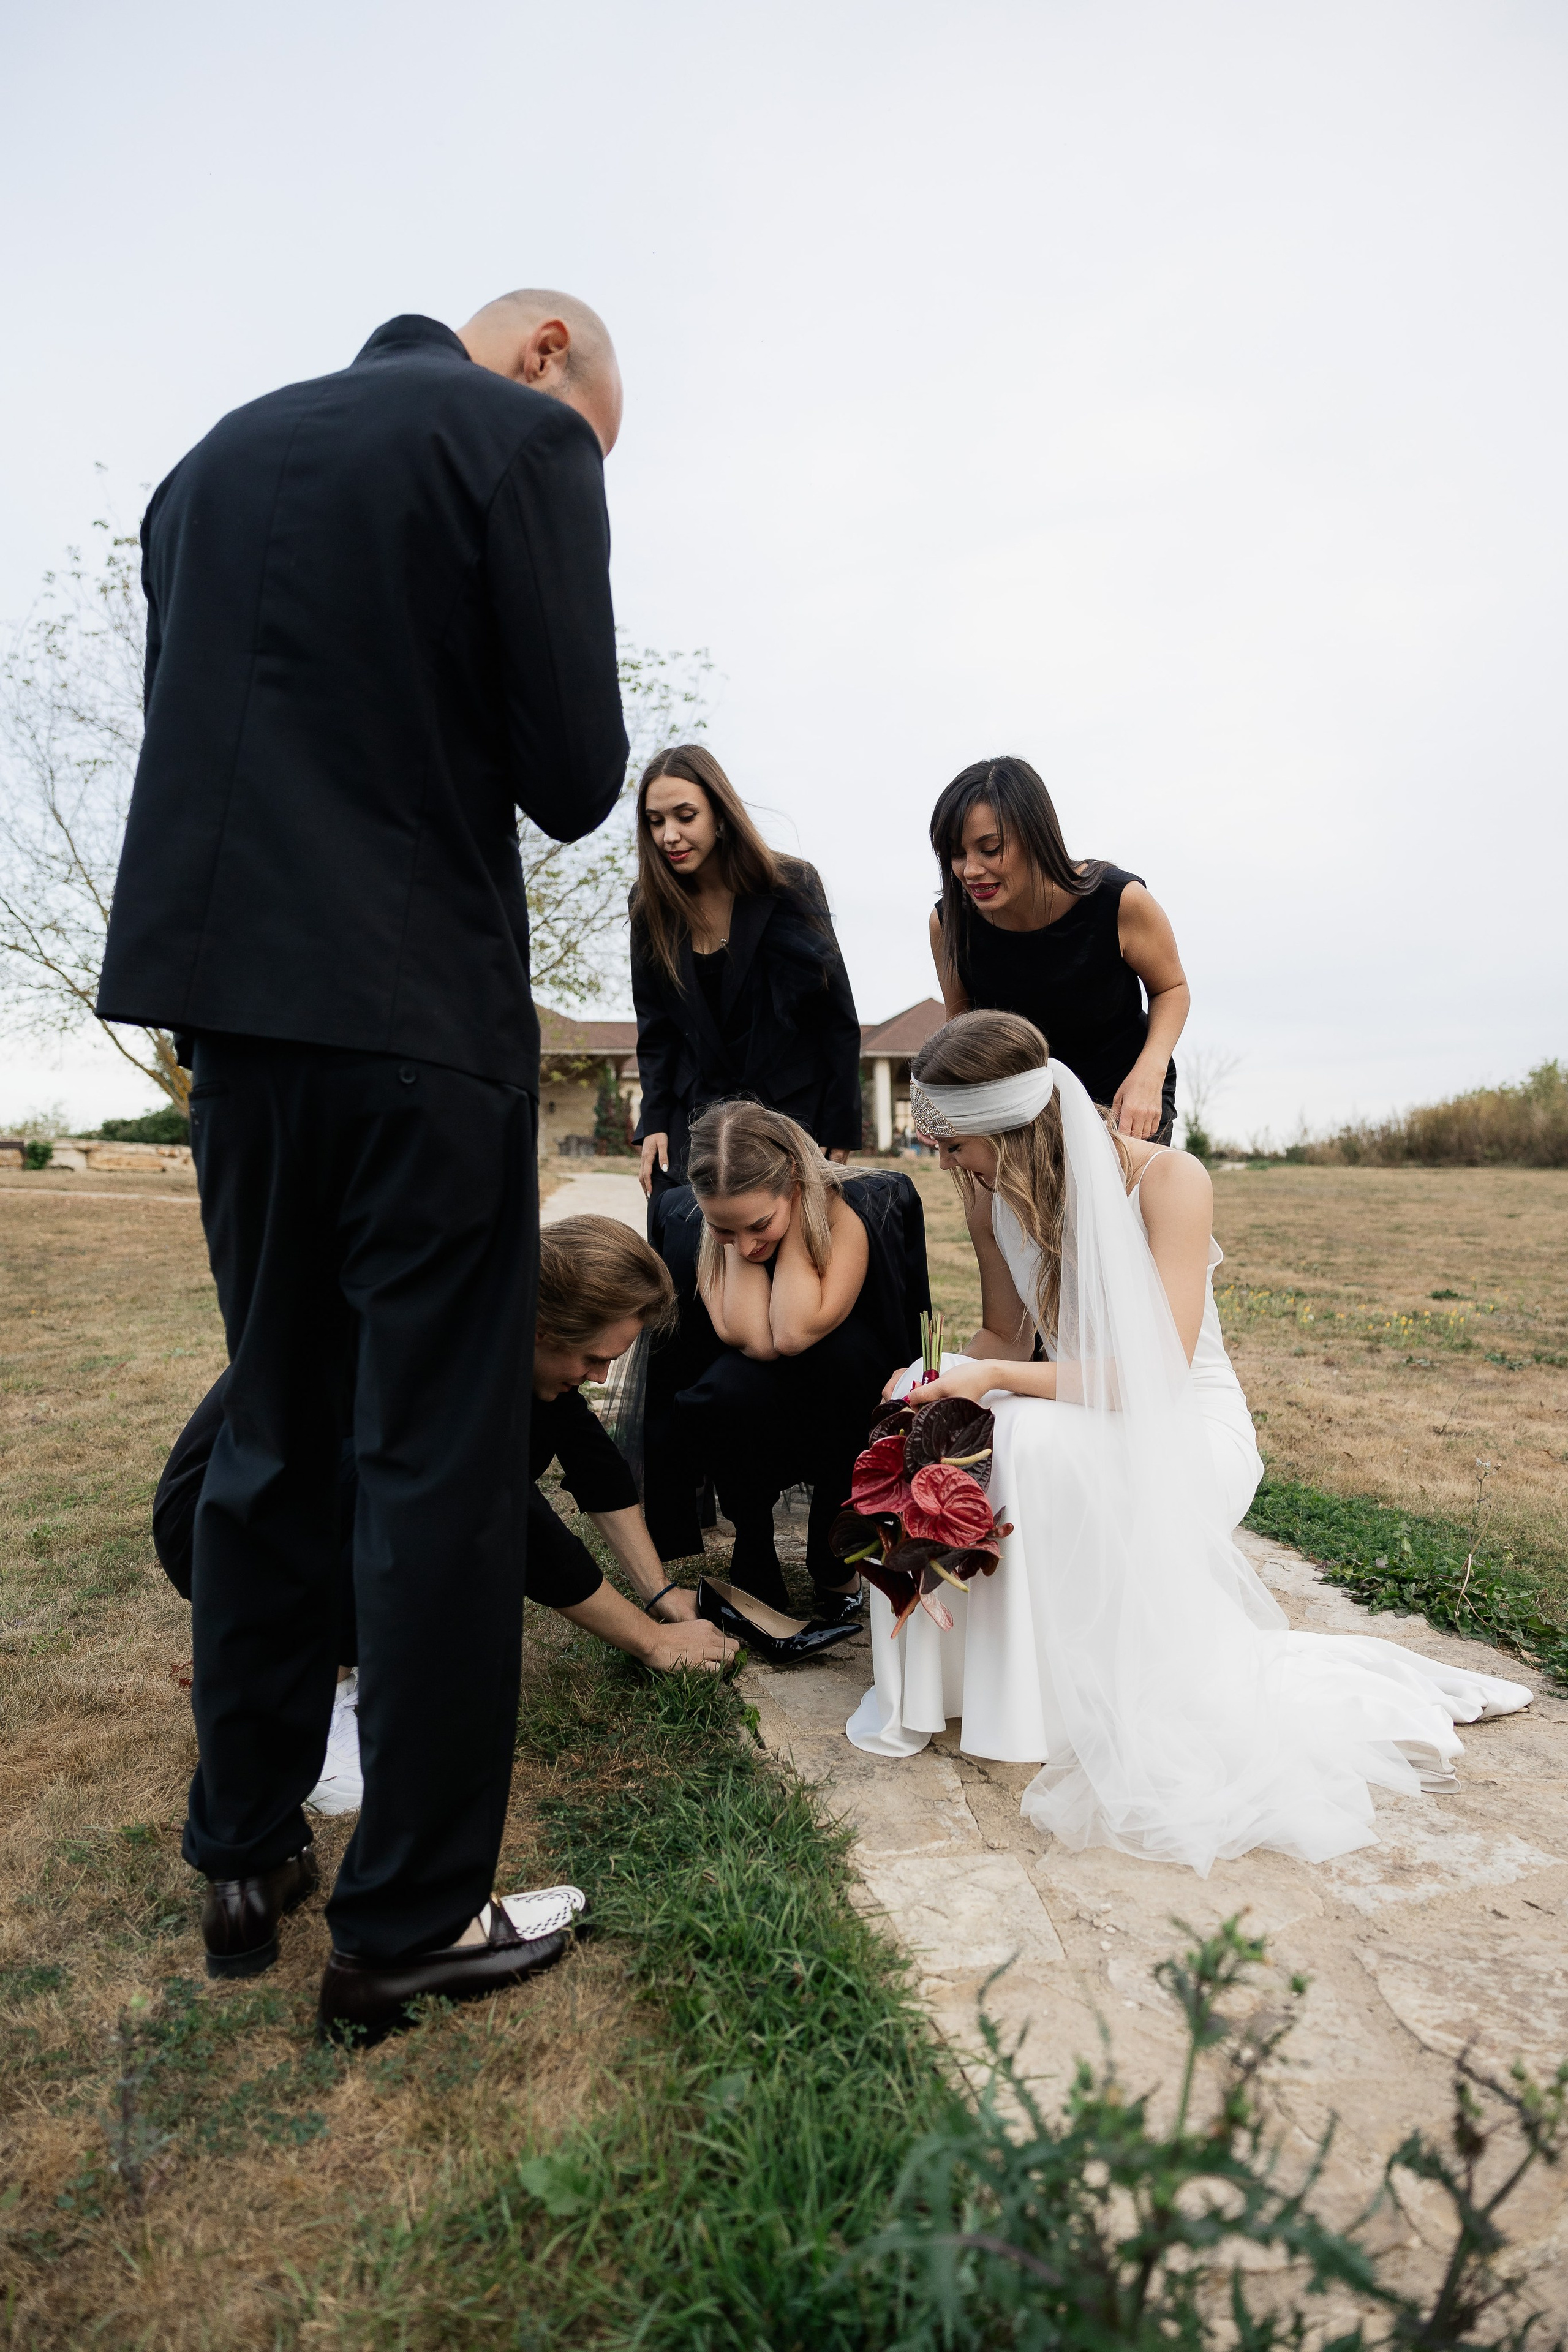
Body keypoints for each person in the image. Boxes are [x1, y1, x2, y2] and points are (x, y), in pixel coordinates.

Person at [96, 288, 630, 2043]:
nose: (593, 458)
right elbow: (569, 777)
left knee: (273, 1426)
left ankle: (245, 1855)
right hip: (414, 1020)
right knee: (431, 1460)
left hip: (235, 1034)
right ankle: (408, 1918)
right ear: (547, 346)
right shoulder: (523, 439)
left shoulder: (201, 470)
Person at [845, 1012, 1532, 1874]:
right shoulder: (990, 1196)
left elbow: (1154, 1378)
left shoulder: (1170, 1181)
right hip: (1078, 1406)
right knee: (957, 1430)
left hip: (1183, 1427)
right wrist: (931, 1377)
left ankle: (1036, 1711)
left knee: (1026, 1433)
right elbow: (1002, 1340)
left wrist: (998, 1383)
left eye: (955, 1146)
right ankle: (976, 1692)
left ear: (1014, 1129)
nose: (945, 1165)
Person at [153, 1218, 737, 1818]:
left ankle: (282, 1658)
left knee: (464, 1495)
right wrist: (651, 1643)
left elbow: (594, 1464)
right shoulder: (445, 1347)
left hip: (281, 1508)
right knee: (441, 1498)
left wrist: (661, 1593)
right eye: (593, 1358)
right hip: (216, 1524)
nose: (601, 1377)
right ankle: (310, 1710)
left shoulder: (504, 1337)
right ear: (542, 1327)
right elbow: (517, 1521)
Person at [646, 1101, 929, 1629]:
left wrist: (802, 1217)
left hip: (842, 1390)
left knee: (844, 1362)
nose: (748, 1245)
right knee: (726, 1389)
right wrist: (729, 1237)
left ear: (793, 1181)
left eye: (759, 1225)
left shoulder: (858, 1206)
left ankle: (835, 1549)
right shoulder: (694, 1221)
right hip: (754, 1395)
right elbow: (756, 1337)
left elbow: (794, 1331)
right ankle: (753, 1539)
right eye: (725, 1229)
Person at [631, 745, 863, 1196]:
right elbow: (656, 1029)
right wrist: (655, 1119)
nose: (669, 836)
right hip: (694, 1123)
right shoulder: (648, 906)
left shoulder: (791, 885)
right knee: (684, 1253)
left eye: (685, 816)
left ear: (719, 814)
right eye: (656, 822)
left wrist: (840, 1126)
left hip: (790, 1119)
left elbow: (835, 1016)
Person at [928, 756, 1189, 1142]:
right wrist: (934, 1099)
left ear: (1035, 837)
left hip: (1122, 1093)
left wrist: (1148, 1074)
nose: (970, 870)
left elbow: (1171, 989)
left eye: (990, 848)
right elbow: (962, 1020)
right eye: (957, 853)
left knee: (1120, 1202)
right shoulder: (948, 923)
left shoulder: (1121, 901)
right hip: (1019, 1103)